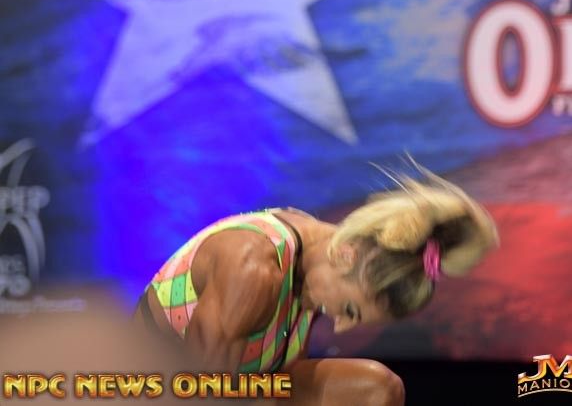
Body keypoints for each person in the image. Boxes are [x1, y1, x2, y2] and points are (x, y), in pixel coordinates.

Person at [134, 167, 498, 405]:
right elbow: (198, 391)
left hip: (245, 387)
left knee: (378, 390)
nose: (341, 326)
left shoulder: (320, 258)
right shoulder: (254, 268)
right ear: (346, 255)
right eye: (351, 310)